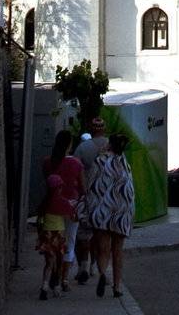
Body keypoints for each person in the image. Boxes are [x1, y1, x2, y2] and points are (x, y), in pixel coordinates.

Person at [86, 132, 135, 299]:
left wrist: (89, 209)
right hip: (122, 211)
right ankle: (117, 286)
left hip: (103, 210)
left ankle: (102, 274)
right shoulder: (125, 164)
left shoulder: (99, 161)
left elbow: (91, 185)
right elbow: (130, 191)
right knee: (118, 251)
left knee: (103, 248)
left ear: (109, 145)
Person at [39, 129, 85, 298]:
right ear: (69, 145)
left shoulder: (47, 162)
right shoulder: (76, 163)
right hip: (71, 206)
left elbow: (48, 184)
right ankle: (64, 279)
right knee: (69, 243)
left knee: (52, 245)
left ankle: (51, 277)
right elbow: (82, 187)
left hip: (52, 208)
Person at [73, 116, 110, 283]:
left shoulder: (82, 148)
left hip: (88, 194)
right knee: (100, 233)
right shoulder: (111, 146)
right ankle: (96, 266)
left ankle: (83, 264)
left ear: (91, 129)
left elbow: (75, 170)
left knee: (84, 233)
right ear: (104, 129)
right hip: (107, 196)